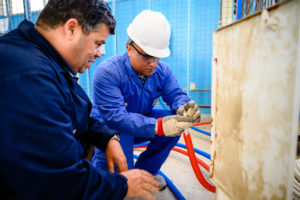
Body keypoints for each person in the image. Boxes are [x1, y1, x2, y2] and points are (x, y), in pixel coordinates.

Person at [0, 1, 160, 200]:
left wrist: (107, 137)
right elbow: (59, 181)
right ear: (72, 29)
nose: (100, 53)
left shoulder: (44, 61)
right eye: (98, 43)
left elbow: (78, 110)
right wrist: (122, 186)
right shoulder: (29, 78)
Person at [91, 10, 201, 190]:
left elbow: (175, 94)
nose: (153, 63)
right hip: (112, 130)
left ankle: (146, 173)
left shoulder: (161, 71)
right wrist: (158, 126)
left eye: (157, 56)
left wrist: (185, 107)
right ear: (129, 49)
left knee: (174, 120)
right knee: (118, 181)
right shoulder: (109, 72)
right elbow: (116, 118)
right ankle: (107, 176)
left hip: (140, 124)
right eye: (147, 56)